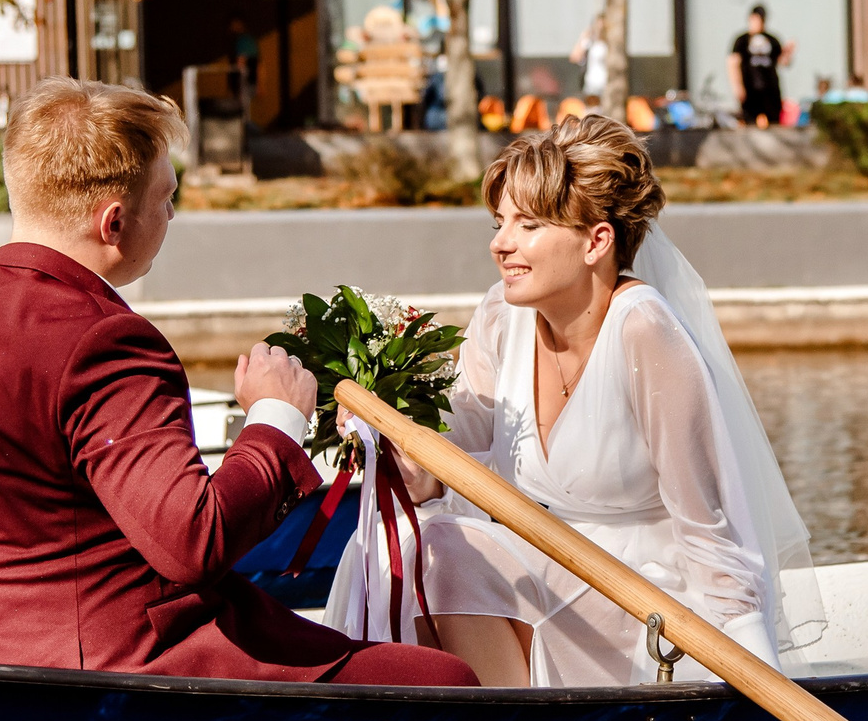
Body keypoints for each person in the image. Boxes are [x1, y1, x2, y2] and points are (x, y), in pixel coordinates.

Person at [0, 78, 475, 687]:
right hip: (113, 674)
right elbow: (193, 542)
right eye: (167, 198)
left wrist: (28, 533)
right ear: (113, 223)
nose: (171, 216)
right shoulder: (106, 340)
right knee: (446, 681)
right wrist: (276, 419)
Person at [331, 114, 822, 687]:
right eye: (499, 221)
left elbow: (712, 531)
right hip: (546, 580)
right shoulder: (500, 316)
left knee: (451, 548)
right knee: (427, 541)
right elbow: (447, 469)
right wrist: (394, 451)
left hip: (651, 607)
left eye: (529, 224)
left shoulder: (645, 332)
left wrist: (759, 675)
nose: (499, 243)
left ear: (596, 241)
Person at [728, 5, 791, 128]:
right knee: (750, 124)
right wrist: (737, 86)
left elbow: (782, 62)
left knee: (774, 123)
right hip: (750, 89)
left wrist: (787, 53)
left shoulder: (772, 40)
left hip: (770, 89)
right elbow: (733, 63)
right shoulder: (742, 40)